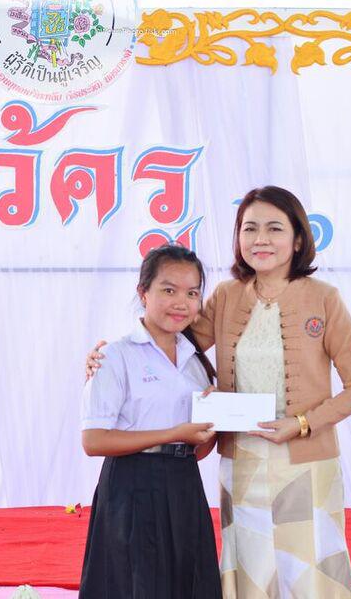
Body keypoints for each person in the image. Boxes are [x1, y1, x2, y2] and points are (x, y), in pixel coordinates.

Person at [87, 186, 351, 598]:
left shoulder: (325, 299)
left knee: (309, 571)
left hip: (307, 463)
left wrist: (300, 423)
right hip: (242, 464)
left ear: (298, 239)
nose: (260, 239)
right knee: (251, 569)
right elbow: (170, 339)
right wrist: (106, 357)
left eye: (274, 228)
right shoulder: (226, 296)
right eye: (249, 228)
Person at [78, 244, 223, 599]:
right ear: (143, 292)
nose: (181, 303)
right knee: (136, 584)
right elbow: (94, 441)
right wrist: (174, 433)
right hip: (132, 486)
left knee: (188, 582)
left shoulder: (195, 362)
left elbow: (197, 450)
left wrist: (210, 427)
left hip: (184, 484)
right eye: (168, 290)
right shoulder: (115, 355)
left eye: (192, 293)